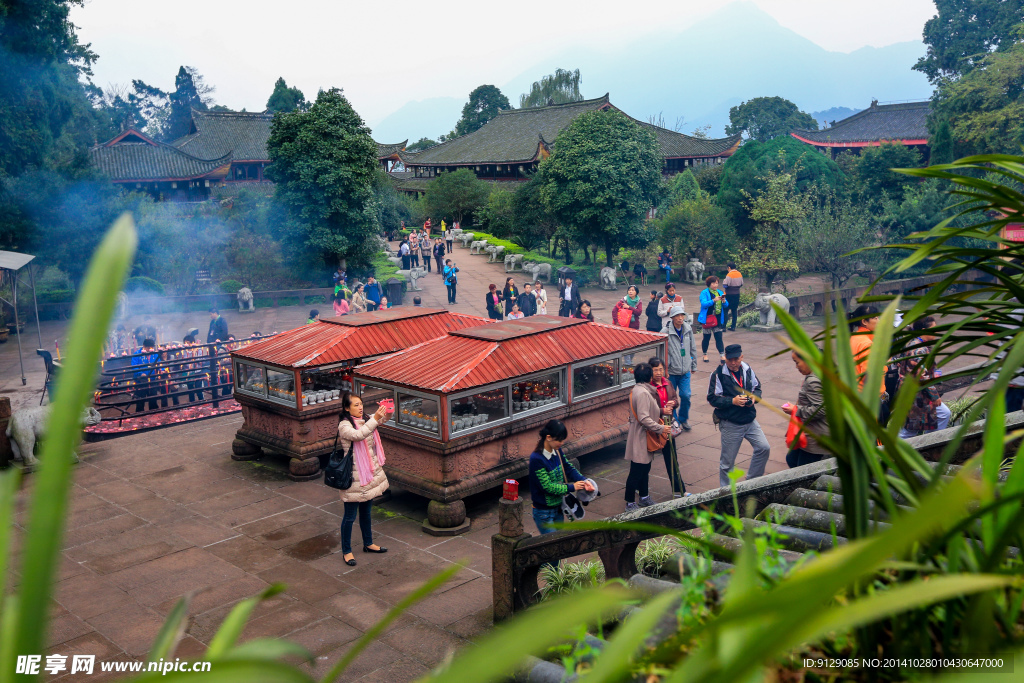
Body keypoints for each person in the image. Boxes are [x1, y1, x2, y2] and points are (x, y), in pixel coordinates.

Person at [336, 391, 393, 566]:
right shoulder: (344, 426)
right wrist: (374, 419)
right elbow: (358, 435)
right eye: (356, 405)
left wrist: (388, 410)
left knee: (367, 511)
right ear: (347, 408)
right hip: (354, 476)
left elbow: (380, 421)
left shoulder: (366, 418)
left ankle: (368, 543)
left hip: (368, 472)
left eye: (361, 404)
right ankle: (346, 551)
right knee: (350, 516)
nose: (360, 408)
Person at [708, 344, 770, 488]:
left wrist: (755, 397)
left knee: (764, 448)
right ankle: (727, 493)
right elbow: (712, 398)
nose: (733, 363)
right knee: (727, 463)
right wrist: (732, 401)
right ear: (725, 359)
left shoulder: (747, 369)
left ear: (742, 357)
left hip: (749, 420)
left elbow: (757, 387)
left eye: (736, 359)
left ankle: (752, 483)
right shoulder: (718, 374)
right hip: (730, 423)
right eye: (730, 360)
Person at [528, 420, 593, 536]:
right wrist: (572, 487)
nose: (562, 443)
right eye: (559, 440)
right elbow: (547, 487)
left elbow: (568, 468)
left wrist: (584, 480)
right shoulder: (536, 459)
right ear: (548, 437)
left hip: (558, 508)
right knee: (551, 545)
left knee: (558, 545)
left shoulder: (557, 451)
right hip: (543, 512)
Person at [625, 363, 666, 510]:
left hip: (641, 436)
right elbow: (644, 418)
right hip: (641, 437)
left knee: (644, 469)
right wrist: (661, 428)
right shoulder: (642, 393)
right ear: (649, 377)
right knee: (637, 471)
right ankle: (630, 502)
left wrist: (661, 411)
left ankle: (644, 496)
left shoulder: (637, 390)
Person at [782, 350, 829, 467]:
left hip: (815, 438)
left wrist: (795, 409)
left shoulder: (813, 381)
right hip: (811, 434)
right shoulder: (819, 374)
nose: (796, 366)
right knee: (791, 459)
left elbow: (821, 409)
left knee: (802, 470)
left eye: (797, 362)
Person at [650, 357, 686, 497]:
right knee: (645, 461)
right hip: (653, 426)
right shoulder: (649, 387)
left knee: (672, 458)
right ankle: (639, 487)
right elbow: (646, 408)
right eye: (655, 370)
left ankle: (678, 489)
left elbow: (675, 399)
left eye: (660, 369)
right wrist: (661, 410)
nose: (658, 373)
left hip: (667, 426)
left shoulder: (668, 383)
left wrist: (673, 403)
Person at [849, 304, 889, 423]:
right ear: (864, 322)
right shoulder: (866, 344)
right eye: (875, 318)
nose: (879, 320)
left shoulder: (854, 339)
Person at [910, 317, 950, 429]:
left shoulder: (924, 345)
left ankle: (933, 440)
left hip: (923, 393)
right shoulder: (917, 349)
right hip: (916, 395)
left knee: (943, 414)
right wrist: (934, 396)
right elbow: (922, 376)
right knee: (910, 429)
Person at [663, 305, 696, 431]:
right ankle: (675, 421)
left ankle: (683, 418)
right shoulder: (665, 331)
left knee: (686, 395)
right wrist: (665, 367)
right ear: (672, 317)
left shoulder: (687, 329)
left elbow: (693, 347)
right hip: (671, 371)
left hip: (685, 370)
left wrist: (694, 364)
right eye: (677, 315)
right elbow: (661, 350)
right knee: (672, 399)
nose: (680, 318)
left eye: (682, 315)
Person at [698, 276, 728, 364]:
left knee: (719, 337)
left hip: (717, 318)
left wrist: (724, 301)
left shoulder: (719, 292)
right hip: (708, 318)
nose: (715, 285)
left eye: (717, 283)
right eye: (713, 283)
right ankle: (705, 354)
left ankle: (722, 355)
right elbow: (703, 304)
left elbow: (726, 305)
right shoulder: (704, 293)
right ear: (709, 284)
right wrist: (713, 300)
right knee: (706, 337)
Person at [131, 338, 160, 413]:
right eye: (148, 348)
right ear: (143, 346)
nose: (150, 349)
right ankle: (139, 415)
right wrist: (140, 373)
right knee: (140, 400)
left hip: (152, 380)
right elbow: (134, 366)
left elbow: (159, 364)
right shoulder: (137, 354)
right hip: (141, 381)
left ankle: (154, 414)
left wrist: (162, 370)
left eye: (151, 347)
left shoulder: (154, 354)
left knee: (153, 399)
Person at [722, 263, 744, 331]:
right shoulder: (739, 273)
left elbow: (725, 285)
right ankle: (733, 326)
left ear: (729, 267)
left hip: (729, 294)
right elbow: (741, 284)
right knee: (734, 310)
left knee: (726, 310)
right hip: (737, 294)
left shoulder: (729, 274)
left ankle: (724, 327)